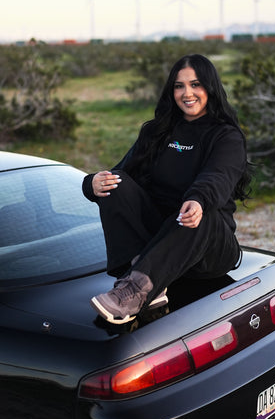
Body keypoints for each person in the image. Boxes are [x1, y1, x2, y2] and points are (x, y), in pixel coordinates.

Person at [82, 53, 251, 324]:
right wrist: (91, 183)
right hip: (160, 239)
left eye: (196, 84)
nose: (187, 93)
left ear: (210, 87)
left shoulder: (226, 136)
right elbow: (122, 171)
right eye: (179, 86)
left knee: (196, 214)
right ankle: (140, 277)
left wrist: (198, 199)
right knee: (116, 182)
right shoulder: (158, 131)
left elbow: (217, 176)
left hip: (208, 247)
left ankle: (136, 289)